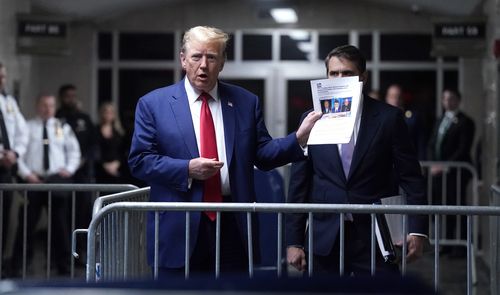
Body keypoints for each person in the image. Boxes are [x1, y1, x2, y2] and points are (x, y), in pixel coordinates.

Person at [128, 26, 321, 276]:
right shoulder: (153, 104)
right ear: (183, 60)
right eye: (197, 56)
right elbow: (140, 160)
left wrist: (298, 139)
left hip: (233, 224)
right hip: (179, 224)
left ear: (222, 63)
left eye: (212, 57)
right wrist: (186, 169)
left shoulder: (245, 102)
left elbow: (262, 154)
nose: (204, 65)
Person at [286, 45, 427, 276]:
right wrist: (294, 241)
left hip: (375, 234)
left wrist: (417, 230)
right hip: (325, 235)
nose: (340, 79)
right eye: (334, 73)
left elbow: (411, 177)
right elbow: (298, 183)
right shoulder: (311, 120)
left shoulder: (388, 118)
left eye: (347, 73)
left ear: (363, 77)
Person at [17, 94, 81, 275]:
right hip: (33, 181)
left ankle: (63, 265)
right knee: (27, 224)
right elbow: (19, 154)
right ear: (37, 106)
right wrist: (27, 174)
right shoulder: (28, 127)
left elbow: (74, 152)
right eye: (44, 105)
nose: (47, 109)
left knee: (60, 225)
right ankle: (20, 265)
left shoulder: (62, 127)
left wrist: (68, 169)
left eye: (51, 105)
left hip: (56, 181)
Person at [428, 89, 475, 253]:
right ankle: (446, 245)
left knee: (458, 209)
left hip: (457, 174)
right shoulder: (440, 119)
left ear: (458, 100)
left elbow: (463, 149)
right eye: (445, 99)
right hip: (440, 176)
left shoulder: (466, 122)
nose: (447, 102)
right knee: (444, 209)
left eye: (451, 99)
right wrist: (433, 163)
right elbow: (433, 143)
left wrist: (445, 165)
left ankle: (460, 247)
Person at [0, 62, 29, 277]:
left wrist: (15, 153)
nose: (2, 80)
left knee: (4, 219)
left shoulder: (9, 102)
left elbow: (22, 132)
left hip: (6, 169)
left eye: (3, 76)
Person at [385, 84, 426, 160]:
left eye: (398, 96)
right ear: (387, 98)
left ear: (402, 98)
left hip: (407, 161)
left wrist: (422, 162)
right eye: (392, 97)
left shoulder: (413, 118)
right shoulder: (381, 118)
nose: (395, 100)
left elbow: (420, 143)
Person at [95, 102, 126, 184]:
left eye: (111, 112)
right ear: (101, 113)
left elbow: (124, 150)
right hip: (100, 170)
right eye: (106, 112)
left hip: (117, 169)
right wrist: (104, 165)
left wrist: (117, 163)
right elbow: (95, 150)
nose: (108, 115)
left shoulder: (120, 132)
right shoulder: (95, 130)